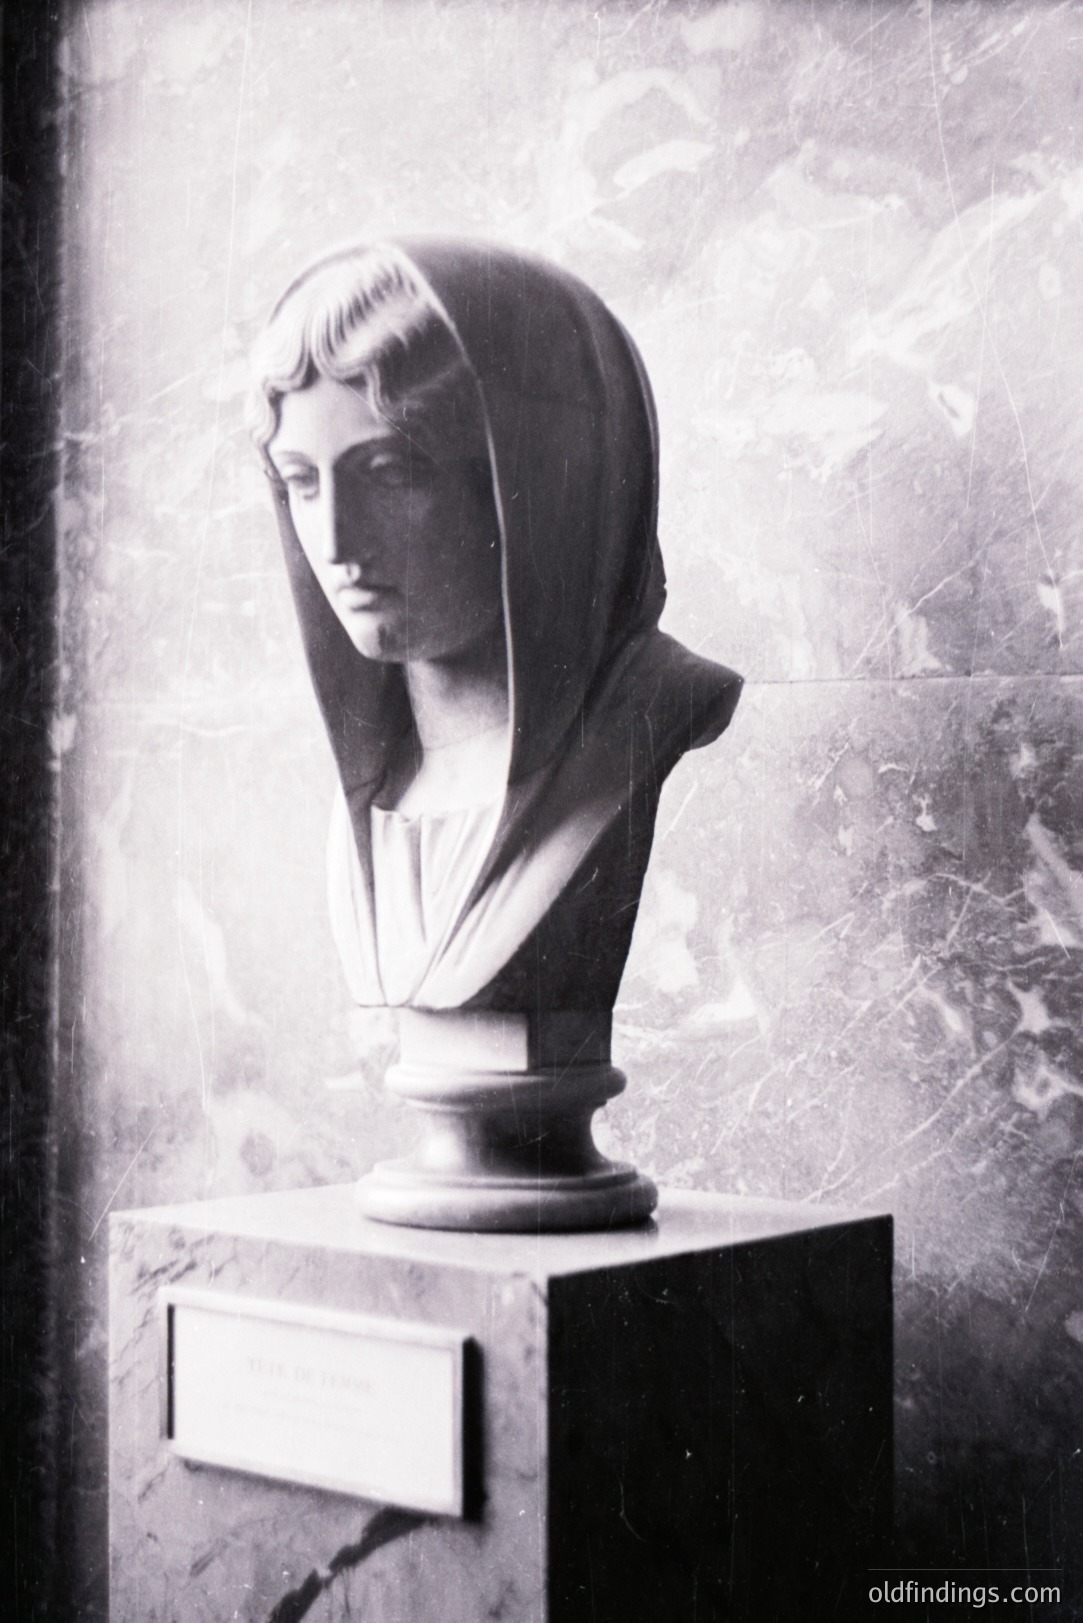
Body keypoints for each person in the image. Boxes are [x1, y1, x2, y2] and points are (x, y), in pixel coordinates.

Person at [249, 239, 742, 1024]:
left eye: (389, 472)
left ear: (538, 481)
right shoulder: (379, 790)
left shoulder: (641, 720)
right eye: (302, 482)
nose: (336, 544)